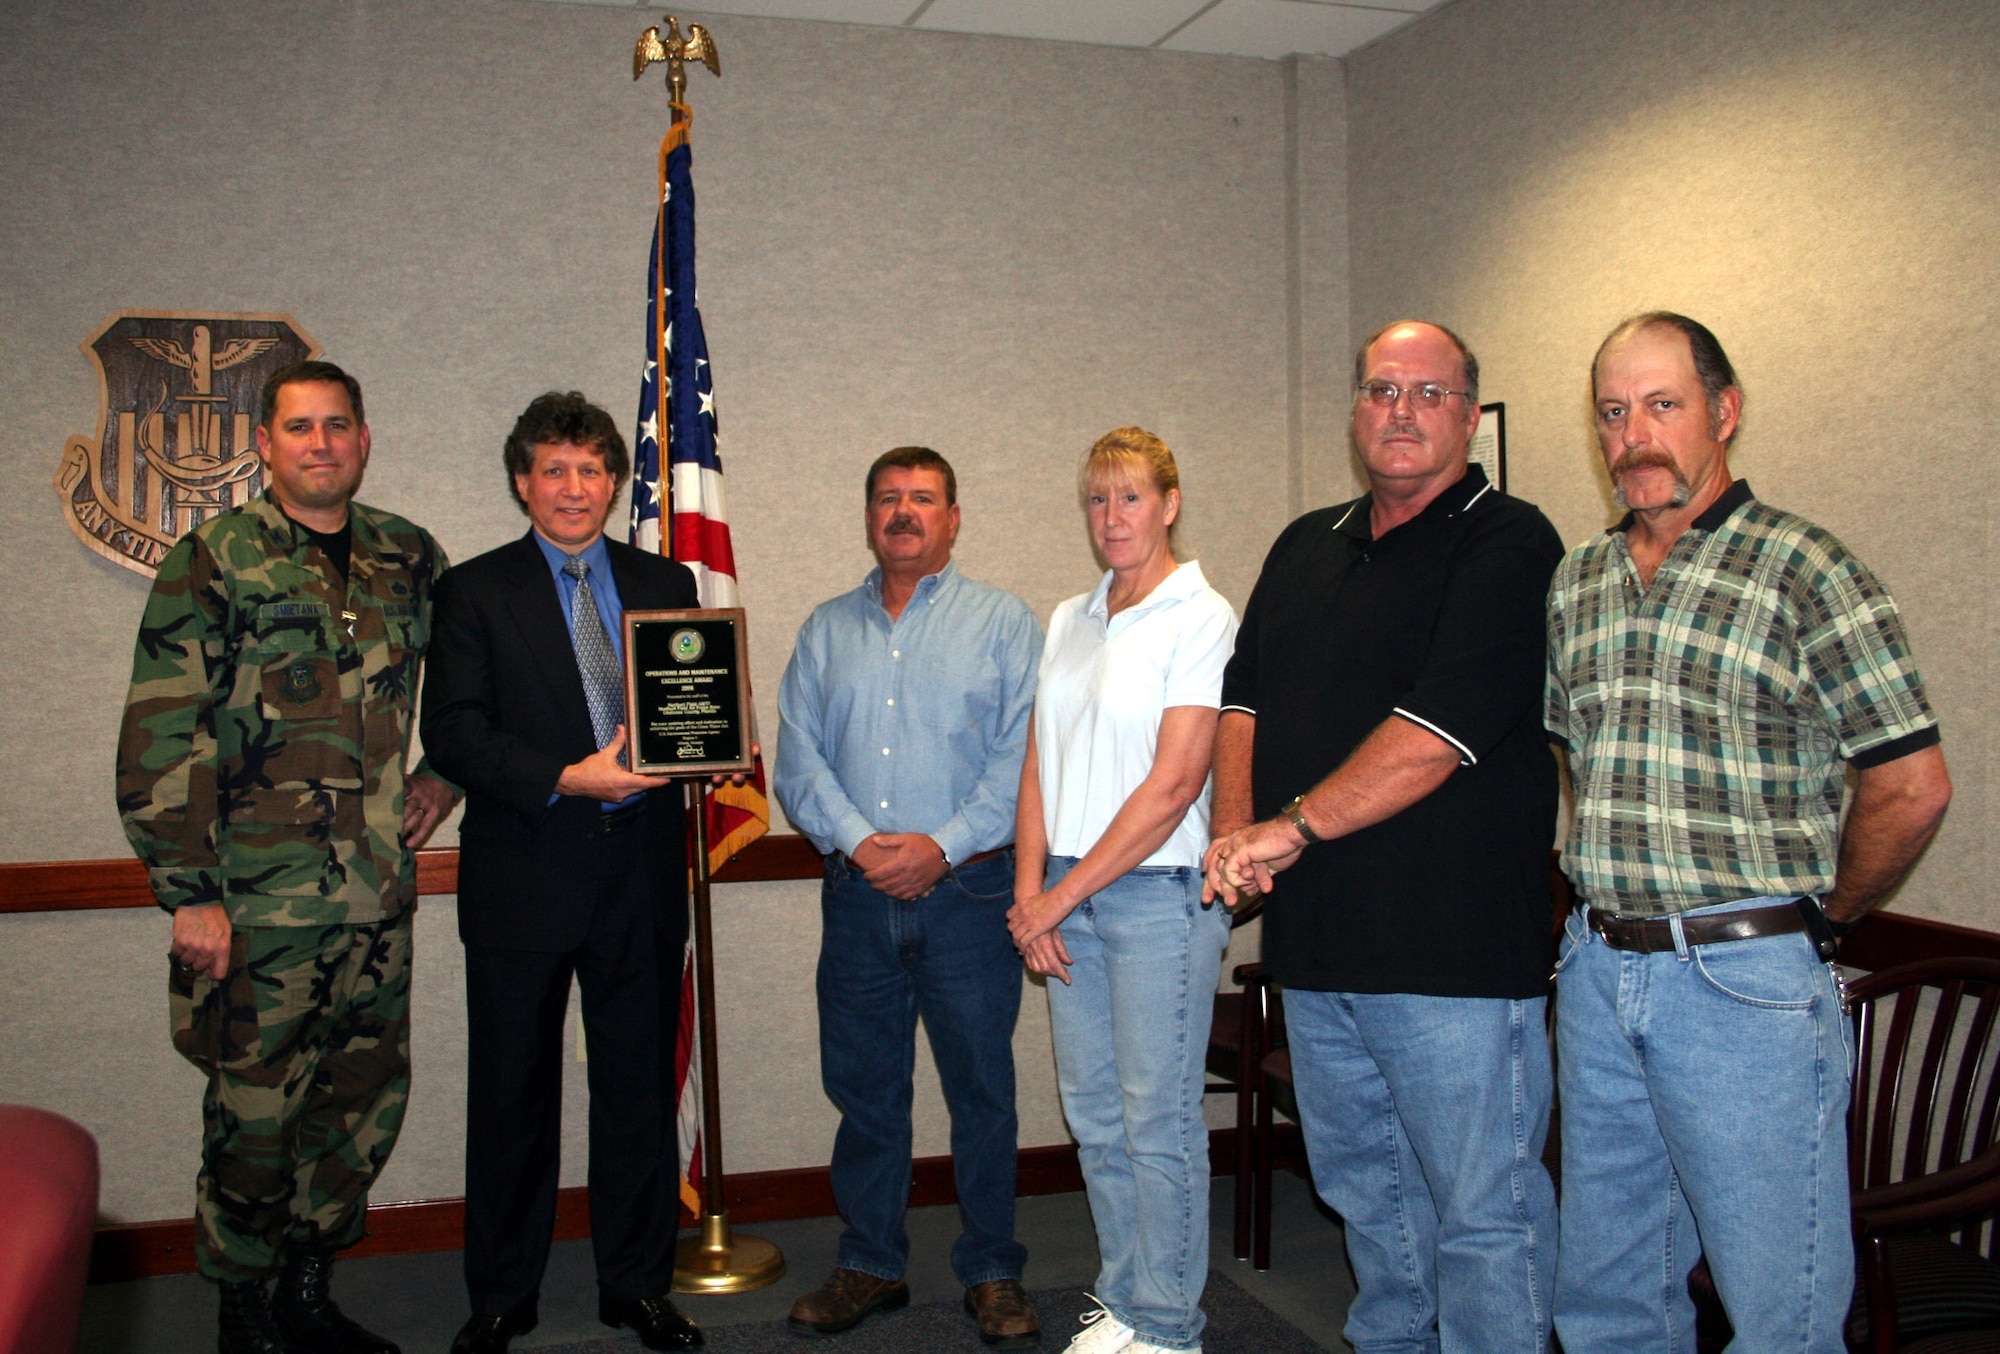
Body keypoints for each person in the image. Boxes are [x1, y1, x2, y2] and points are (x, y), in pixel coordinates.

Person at [1546, 313, 1952, 1350]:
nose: (1634, 435)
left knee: (1778, 1308)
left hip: (1742, 982)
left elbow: (1910, 784)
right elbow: (1578, 760)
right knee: (1606, 1299)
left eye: (1662, 405)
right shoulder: (1578, 582)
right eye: (1612, 412)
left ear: (1723, 412)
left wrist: (1825, 919)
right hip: (1598, 972)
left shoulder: (1804, 567)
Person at [1205, 321, 1564, 1352]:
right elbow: (1242, 699)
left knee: (1484, 1218)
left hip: (1454, 961)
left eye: (1427, 392)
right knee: (1370, 1202)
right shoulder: (1303, 543)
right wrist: (1234, 834)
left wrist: (1287, 827)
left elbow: (1434, 736)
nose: (1400, 411)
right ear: (1355, 410)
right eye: (1380, 390)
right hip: (1319, 952)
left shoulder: (1510, 542)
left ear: (1469, 415)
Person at [117, 360, 453, 1354]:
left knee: (358, 1108)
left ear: (363, 440)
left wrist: (443, 775)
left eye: (338, 425)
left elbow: (474, 683)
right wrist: (189, 891)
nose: (321, 443)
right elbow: (160, 730)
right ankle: (243, 1307)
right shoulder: (215, 558)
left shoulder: (408, 556)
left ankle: (308, 1291)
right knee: (254, 1119)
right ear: (265, 444)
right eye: (300, 427)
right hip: (258, 907)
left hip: (375, 900)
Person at [421, 392, 703, 1354]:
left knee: (637, 1091)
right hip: (525, 875)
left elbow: (689, 706)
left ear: (614, 482)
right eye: (554, 470)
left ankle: (637, 1286)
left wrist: (714, 737)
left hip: (641, 874)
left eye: (590, 469)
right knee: (512, 1095)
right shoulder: (473, 591)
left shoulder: (666, 580)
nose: (573, 488)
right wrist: (565, 777)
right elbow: (453, 732)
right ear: (522, 483)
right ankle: (503, 1294)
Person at [774, 447, 1043, 1348]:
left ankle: (994, 1270)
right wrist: (863, 845)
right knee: (865, 1091)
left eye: (923, 498)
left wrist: (941, 847)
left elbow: (1022, 760)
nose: (904, 511)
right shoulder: (825, 631)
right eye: (888, 497)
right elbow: (799, 760)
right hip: (857, 898)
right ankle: (870, 1264)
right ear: (868, 518)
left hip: (970, 893)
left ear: (953, 518)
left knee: (982, 1090)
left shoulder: (1003, 624)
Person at [1008, 428, 1238, 1354]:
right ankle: (1127, 1304)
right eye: (1098, 499)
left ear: (1169, 504)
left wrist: (1056, 899)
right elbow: (1038, 762)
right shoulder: (1071, 616)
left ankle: (1171, 1326)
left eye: (1131, 497)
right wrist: (1030, 891)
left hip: (1155, 897)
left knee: (1158, 1121)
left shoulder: (1201, 615)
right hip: (1065, 893)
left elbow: (1175, 786)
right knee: (1097, 1119)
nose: (1113, 517)